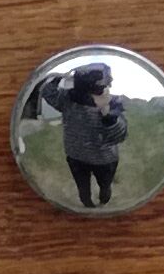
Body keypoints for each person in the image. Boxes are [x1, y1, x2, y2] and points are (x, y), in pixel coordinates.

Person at [49, 57, 127, 209]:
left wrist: (105, 111)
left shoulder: (112, 102)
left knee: (105, 187)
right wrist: (61, 75)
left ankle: (103, 203)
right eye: (104, 79)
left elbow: (119, 134)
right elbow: (48, 92)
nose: (109, 83)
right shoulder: (68, 98)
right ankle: (89, 207)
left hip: (103, 159)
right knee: (83, 191)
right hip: (77, 157)